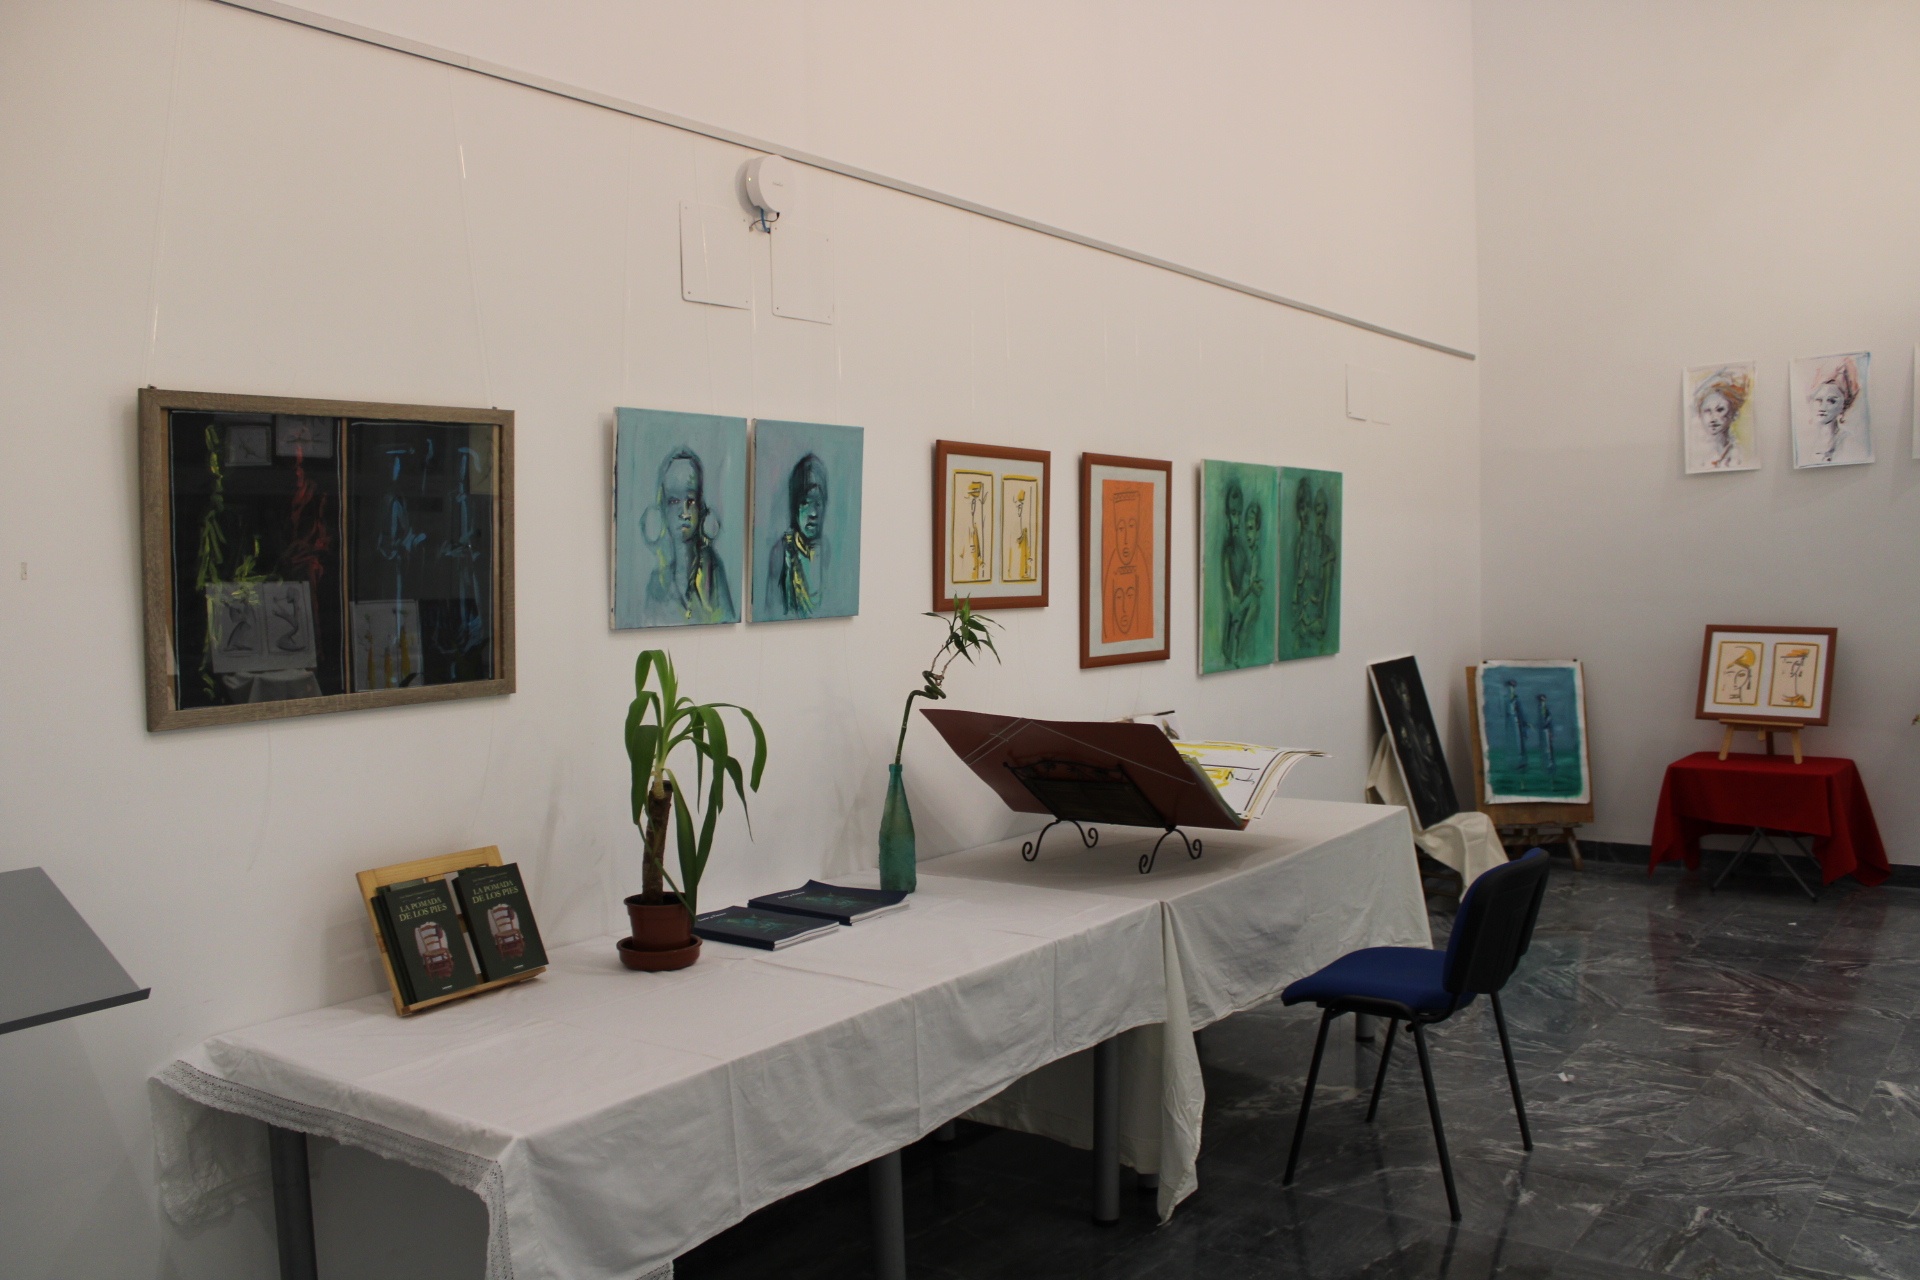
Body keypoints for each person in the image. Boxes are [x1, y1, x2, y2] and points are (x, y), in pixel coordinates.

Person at [645, 447, 737, 624]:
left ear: (701, 507)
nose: (684, 512)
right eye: (674, 501)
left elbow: (726, 619)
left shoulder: (713, 572)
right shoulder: (656, 583)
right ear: (662, 508)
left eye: (691, 500)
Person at [765, 454, 830, 619]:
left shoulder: (828, 551)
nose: (813, 513)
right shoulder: (781, 552)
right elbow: (772, 612)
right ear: (794, 506)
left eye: (818, 503)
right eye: (805, 503)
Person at [1692, 369, 1751, 469]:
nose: (1713, 418)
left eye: (1720, 410)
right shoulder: (1695, 455)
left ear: (1734, 414)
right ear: (1700, 415)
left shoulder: (1740, 455)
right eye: (1707, 411)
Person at [1805, 359, 1860, 464]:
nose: (1823, 406)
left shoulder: (1848, 442)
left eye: (1831, 401)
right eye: (1818, 400)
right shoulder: (1806, 440)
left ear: (1843, 406)